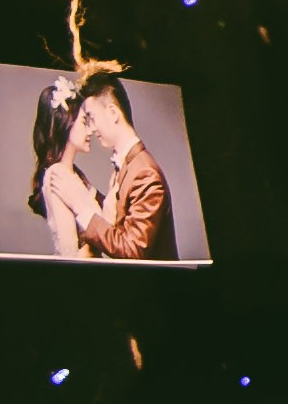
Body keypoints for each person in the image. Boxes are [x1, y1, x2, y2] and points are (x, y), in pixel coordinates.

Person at [27, 70, 181, 263]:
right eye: (85, 120)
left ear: (113, 113)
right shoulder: (122, 168)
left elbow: (132, 250)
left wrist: (81, 207)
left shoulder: (144, 173)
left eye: (91, 117)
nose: (91, 128)